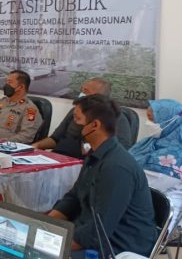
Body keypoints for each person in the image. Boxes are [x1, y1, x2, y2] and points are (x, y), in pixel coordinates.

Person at [48, 94, 157, 256]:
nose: (73, 124)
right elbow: (74, 197)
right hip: (90, 233)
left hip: (118, 246)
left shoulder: (117, 167)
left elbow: (99, 231)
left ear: (95, 125)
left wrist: (51, 245)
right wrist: (45, 224)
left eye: (77, 119)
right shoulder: (95, 154)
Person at [32, 78, 133, 156]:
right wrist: (36, 146)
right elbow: (55, 139)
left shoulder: (117, 119)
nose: (81, 94)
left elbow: (119, 151)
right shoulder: (75, 111)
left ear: (98, 97)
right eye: (82, 90)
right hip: (60, 156)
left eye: (86, 91)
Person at [129, 99, 182, 233]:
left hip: (152, 216)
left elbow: (146, 185)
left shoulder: (175, 156)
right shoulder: (149, 142)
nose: (149, 123)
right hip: (138, 204)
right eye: (148, 118)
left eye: (152, 119)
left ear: (170, 120)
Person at [0, 70, 42, 144]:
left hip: (5, 147)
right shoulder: (0, 102)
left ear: (21, 87)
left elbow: (26, 136)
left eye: (10, 82)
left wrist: (1, 143)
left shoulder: (30, 109)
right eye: (6, 82)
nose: (6, 85)